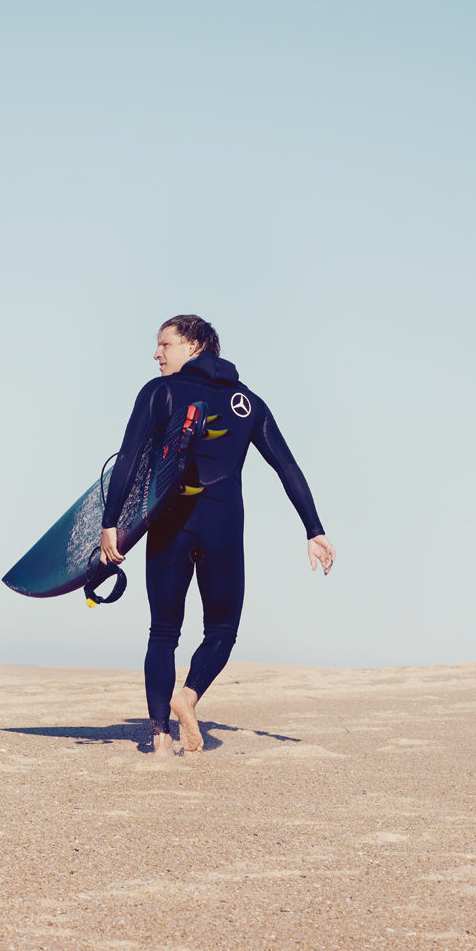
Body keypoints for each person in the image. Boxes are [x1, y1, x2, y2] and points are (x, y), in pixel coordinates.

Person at [99, 315, 334, 757]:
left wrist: (110, 522)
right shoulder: (250, 402)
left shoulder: (159, 392)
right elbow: (286, 467)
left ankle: (161, 739)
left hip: (170, 525)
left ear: (193, 345)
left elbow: (129, 460)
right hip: (224, 527)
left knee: (163, 633)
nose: (156, 354)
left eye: (164, 344)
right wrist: (314, 529)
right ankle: (188, 696)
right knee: (222, 630)